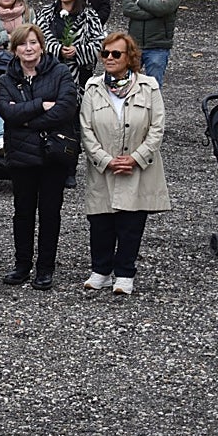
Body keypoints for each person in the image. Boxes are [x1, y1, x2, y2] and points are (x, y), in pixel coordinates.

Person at [80, 32, 170, 294]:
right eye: (105, 53)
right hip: (103, 167)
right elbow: (85, 129)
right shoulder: (93, 87)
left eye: (116, 53)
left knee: (131, 223)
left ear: (129, 57)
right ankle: (100, 270)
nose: (109, 58)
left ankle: (125, 273)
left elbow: (157, 128)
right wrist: (105, 160)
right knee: (100, 221)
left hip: (136, 168)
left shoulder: (149, 87)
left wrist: (136, 158)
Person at [0, 23, 78, 290]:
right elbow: (7, 113)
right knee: (23, 212)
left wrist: (27, 120)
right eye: (22, 44)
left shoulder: (60, 72)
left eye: (33, 42)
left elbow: (66, 108)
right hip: (22, 156)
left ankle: (45, 268)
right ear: (14, 49)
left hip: (53, 154)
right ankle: (22, 265)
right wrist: (41, 105)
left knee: (50, 212)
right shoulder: (5, 80)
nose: (28, 48)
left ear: (41, 46)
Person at [36, 0, 105, 89]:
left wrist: (77, 51)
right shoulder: (45, 14)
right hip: (47, 74)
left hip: (80, 78)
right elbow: (35, 41)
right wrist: (58, 49)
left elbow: (99, 44)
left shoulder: (89, 16)